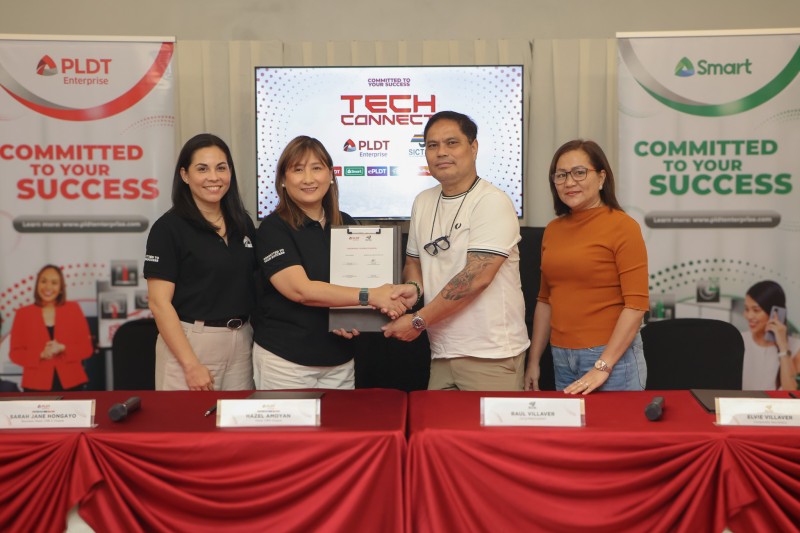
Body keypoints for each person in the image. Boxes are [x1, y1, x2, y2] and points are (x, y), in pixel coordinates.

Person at [382, 111, 530, 391]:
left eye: (452, 143)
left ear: (473, 148)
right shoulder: (423, 201)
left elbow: (477, 277)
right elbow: (414, 263)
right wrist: (414, 287)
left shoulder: (492, 201)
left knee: (487, 425)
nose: (441, 152)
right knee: (438, 422)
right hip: (441, 351)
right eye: (432, 145)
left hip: (491, 355)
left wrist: (418, 321)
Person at [252, 135, 411, 390]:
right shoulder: (273, 229)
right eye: (298, 169)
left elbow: (354, 285)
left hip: (339, 360)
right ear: (282, 179)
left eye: (317, 168)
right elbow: (300, 290)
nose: (308, 179)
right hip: (287, 362)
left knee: (341, 419)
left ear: (331, 175)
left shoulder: (347, 224)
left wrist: (350, 317)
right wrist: (370, 295)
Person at [524, 139, 649, 395]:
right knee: (574, 424)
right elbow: (546, 301)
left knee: (614, 424)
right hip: (562, 358)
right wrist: (533, 361)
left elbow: (636, 306)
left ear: (601, 178)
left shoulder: (623, 227)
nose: (569, 182)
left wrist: (603, 366)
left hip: (612, 359)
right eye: (561, 175)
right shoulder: (553, 230)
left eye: (579, 172)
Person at [144, 133, 256, 391]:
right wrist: (190, 364)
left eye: (221, 168)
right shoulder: (168, 228)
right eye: (202, 169)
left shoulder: (242, 222)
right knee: (187, 418)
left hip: (241, 341)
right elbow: (159, 303)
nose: (214, 177)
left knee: (235, 417)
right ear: (185, 175)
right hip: (190, 345)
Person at [10, 264, 93, 391]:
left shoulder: (73, 309)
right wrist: (40, 354)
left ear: (61, 288)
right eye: (43, 281)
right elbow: (15, 353)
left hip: (73, 383)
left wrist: (63, 348)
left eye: (54, 283)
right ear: (37, 284)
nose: (48, 287)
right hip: (35, 385)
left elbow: (86, 349)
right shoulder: (23, 314)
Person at [741, 280, 799, 390]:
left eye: (756, 310)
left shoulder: (796, 347)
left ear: (775, 313)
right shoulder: (739, 340)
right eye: (746, 309)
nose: (749, 316)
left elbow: (792, 393)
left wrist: (783, 346)